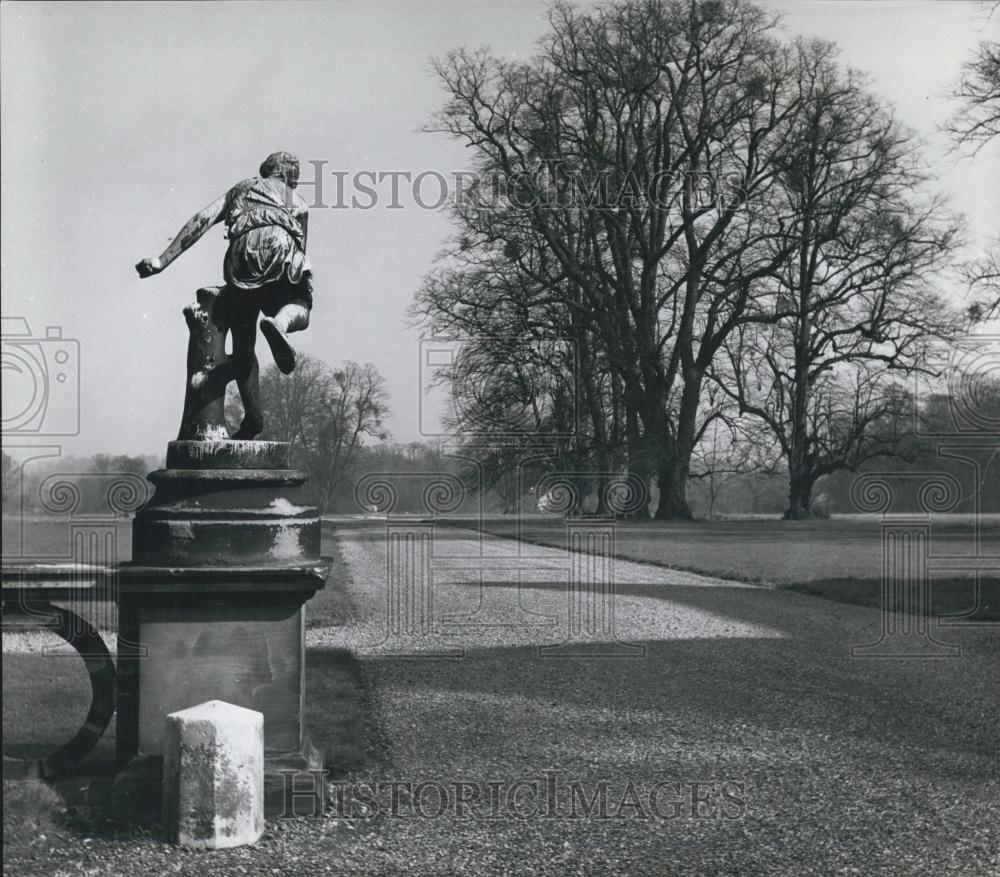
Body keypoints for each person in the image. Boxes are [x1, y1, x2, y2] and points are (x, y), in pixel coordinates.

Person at [136, 151, 312, 439]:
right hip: (283, 248)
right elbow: (300, 252)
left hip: (242, 256)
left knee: (244, 348)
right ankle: (280, 323)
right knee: (300, 304)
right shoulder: (299, 202)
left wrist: (161, 261)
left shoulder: (243, 188)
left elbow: (202, 220)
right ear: (290, 175)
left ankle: (254, 420)